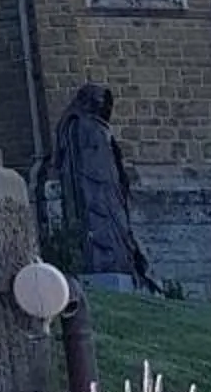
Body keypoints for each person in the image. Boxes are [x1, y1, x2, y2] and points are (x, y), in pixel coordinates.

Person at [52, 83, 155, 291]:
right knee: (102, 229)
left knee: (120, 230)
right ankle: (106, 263)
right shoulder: (81, 126)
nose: (102, 106)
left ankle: (125, 266)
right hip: (95, 191)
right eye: (98, 101)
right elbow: (82, 164)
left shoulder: (98, 127)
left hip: (110, 190)